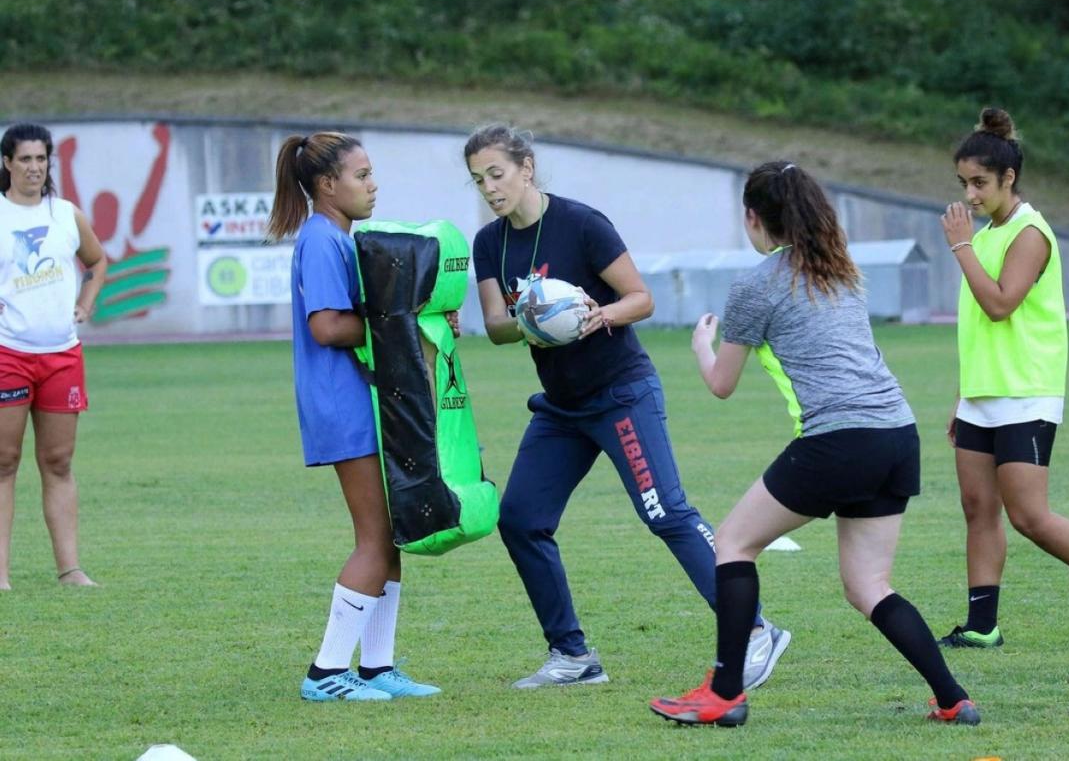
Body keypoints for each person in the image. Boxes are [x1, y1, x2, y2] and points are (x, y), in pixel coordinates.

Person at [650, 161, 980, 727]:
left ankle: (724, 694)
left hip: (840, 438)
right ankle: (954, 699)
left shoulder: (755, 284)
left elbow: (721, 384)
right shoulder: (841, 268)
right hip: (897, 436)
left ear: (754, 218)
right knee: (869, 585)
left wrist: (702, 343)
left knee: (731, 542)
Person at [465, 124, 790, 690]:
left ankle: (758, 629)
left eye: (496, 173)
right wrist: (530, 320)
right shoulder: (489, 242)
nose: (489, 188)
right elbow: (495, 325)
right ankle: (572, 656)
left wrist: (598, 315)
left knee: (666, 512)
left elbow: (641, 298)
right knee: (519, 519)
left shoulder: (581, 223)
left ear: (526, 167)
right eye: (478, 180)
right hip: (562, 409)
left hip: (620, 393)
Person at [937, 108, 1069, 649]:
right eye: (963, 183)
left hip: (1026, 394)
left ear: (1009, 178)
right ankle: (983, 626)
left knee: (1030, 516)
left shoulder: (1030, 233)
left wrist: (960, 247)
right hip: (982, 396)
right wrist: (964, 395)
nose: (970, 194)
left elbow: (1001, 306)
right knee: (977, 509)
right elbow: (977, 330)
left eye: (979, 182)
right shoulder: (986, 233)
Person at [268, 131, 441, 701]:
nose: (373, 185)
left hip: (365, 403)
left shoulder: (343, 237)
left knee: (389, 538)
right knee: (375, 540)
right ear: (326, 185)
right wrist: (403, 326)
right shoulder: (321, 240)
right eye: (361, 175)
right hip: (344, 408)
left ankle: (376, 668)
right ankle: (325, 673)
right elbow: (328, 325)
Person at [0, 123, 107, 591]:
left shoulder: (66, 215)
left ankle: (70, 570)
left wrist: (86, 303)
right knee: (4, 461)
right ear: (7, 163)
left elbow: (98, 261)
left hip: (62, 356)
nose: (34, 168)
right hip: (8, 353)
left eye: (41, 159)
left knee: (59, 462)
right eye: (24, 159)